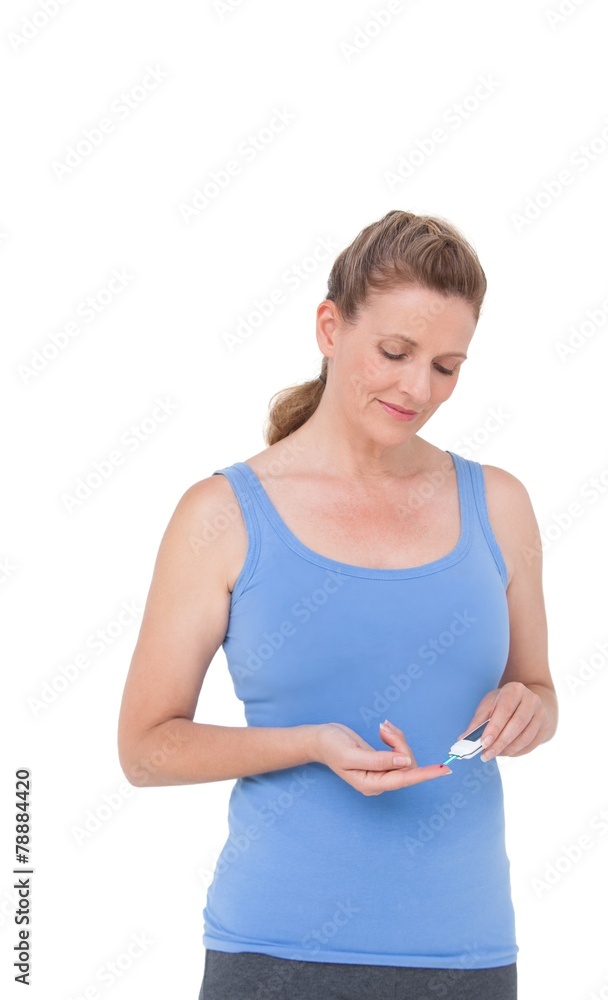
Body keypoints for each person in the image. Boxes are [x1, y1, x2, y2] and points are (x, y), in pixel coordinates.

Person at [117, 208, 558, 1000]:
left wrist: (529, 707)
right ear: (329, 327)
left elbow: (538, 690)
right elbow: (146, 750)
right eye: (395, 352)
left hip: (465, 954)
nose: (418, 389)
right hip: (274, 954)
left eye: (446, 366)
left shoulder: (498, 504)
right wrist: (310, 744)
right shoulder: (221, 515)